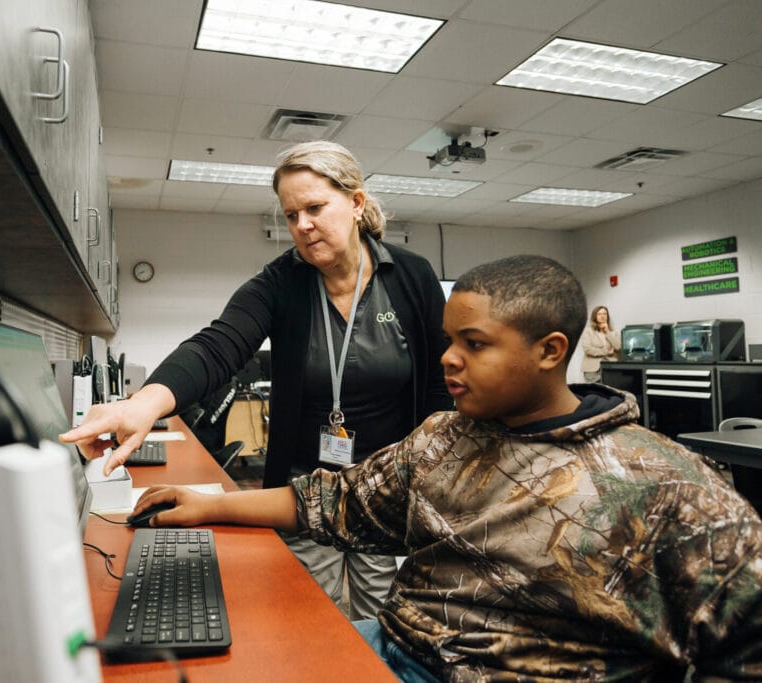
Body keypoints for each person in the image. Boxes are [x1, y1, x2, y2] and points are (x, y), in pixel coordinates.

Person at [129, 255, 762, 681]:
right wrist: (204, 502)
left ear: (551, 352)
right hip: (395, 647)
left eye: (474, 344)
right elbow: (334, 501)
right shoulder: (444, 439)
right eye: (448, 340)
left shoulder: (671, 488)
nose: (448, 360)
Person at [61, 140, 452, 620]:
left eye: (314, 208)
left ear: (355, 203)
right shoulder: (282, 281)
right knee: (309, 618)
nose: (302, 227)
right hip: (303, 486)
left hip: (389, 487)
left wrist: (432, 474)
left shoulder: (411, 276)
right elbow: (217, 345)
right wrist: (146, 402)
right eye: (291, 215)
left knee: (388, 618)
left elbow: (442, 383)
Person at [579, 305, 620, 382]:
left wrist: (607, 331)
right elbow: (588, 349)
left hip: (611, 369)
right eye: (599, 314)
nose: (602, 316)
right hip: (592, 370)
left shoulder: (613, 332)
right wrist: (607, 352)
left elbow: (618, 347)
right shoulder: (588, 331)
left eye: (605, 314)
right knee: (594, 392)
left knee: (609, 392)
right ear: (595, 316)